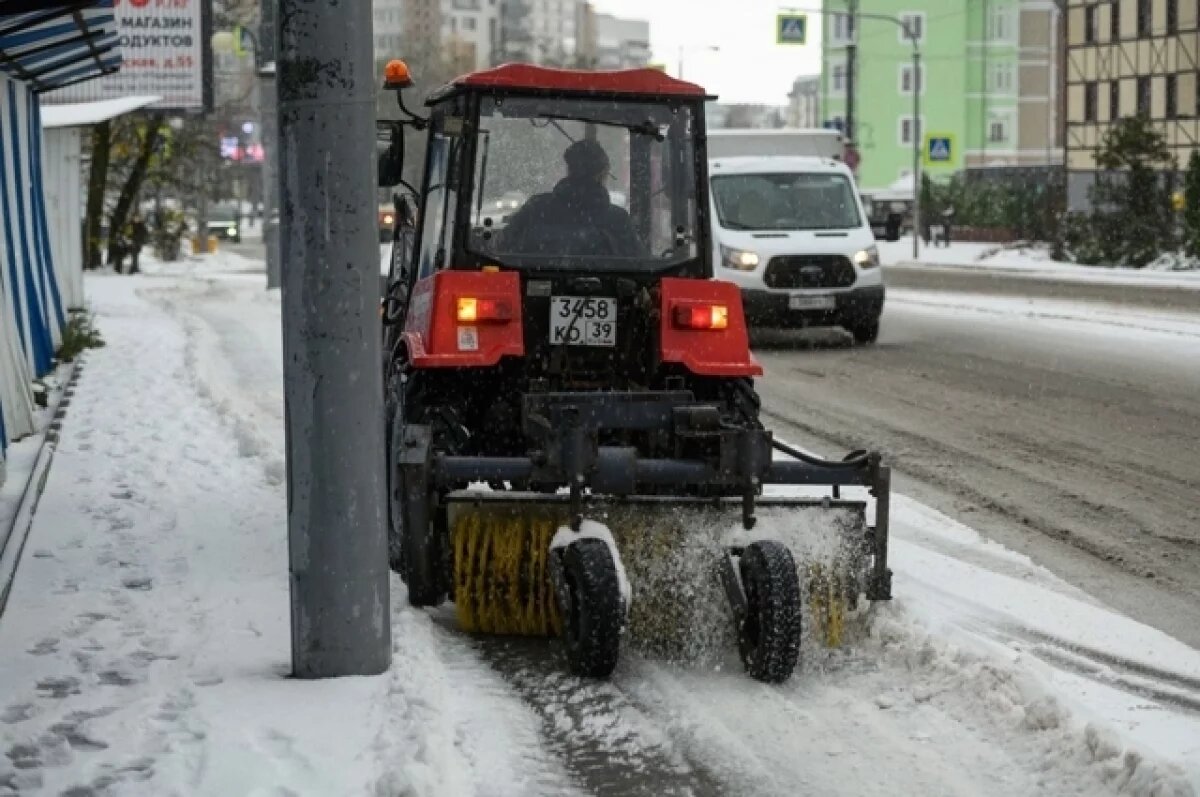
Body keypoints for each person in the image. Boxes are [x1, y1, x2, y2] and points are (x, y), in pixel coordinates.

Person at [501, 138, 644, 258]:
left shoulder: (536, 208)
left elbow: (502, 247)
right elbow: (639, 263)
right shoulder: (618, 221)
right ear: (602, 174)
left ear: (569, 169)